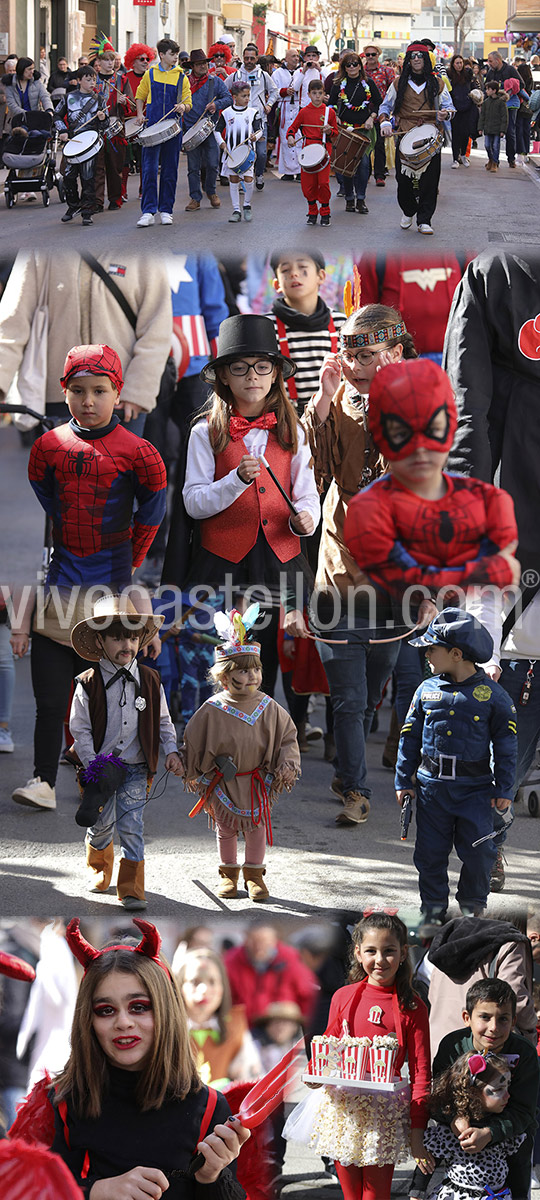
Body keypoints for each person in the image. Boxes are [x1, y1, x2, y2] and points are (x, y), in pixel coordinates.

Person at [10, 345, 167, 813]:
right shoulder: (48, 447)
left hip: (111, 594)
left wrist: (132, 583)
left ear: (118, 394)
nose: (88, 400)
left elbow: (153, 513)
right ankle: (42, 780)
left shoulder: (141, 454)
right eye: (78, 391)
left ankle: (98, 784)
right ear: (65, 392)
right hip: (59, 589)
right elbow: (47, 498)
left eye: (100, 391)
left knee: (109, 707)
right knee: (50, 700)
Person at [300, 304, 419, 827]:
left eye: (367, 355)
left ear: (394, 353)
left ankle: (346, 766)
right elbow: (310, 465)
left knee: (375, 684)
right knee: (348, 695)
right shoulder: (336, 399)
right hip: (339, 557)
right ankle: (355, 788)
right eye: (348, 353)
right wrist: (324, 400)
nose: (354, 364)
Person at [171, 314, 320, 695]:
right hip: (222, 561)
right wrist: (234, 481)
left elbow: (306, 494)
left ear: (275, 374)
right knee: (223, 655)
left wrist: (308, 519)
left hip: (281, 560)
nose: (251, 376)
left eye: (261, 367)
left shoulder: (295, 429)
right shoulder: (205, 431)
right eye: (239, 368)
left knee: (283, 651)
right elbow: (193, 503)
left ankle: (283, 732)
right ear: (223, 376)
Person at [48, 918, 251, 1197]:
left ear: (166, 1010)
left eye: (139, 1007)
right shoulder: (61, 1101)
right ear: (88, 1020)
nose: (123, 1022)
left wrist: (209, 1176)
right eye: (105, 1010)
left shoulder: (210, 1107)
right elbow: (34, 1188)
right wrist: (95, 1190)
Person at [394, 608, 518, 930]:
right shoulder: (426, 690)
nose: (427, 654)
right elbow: (408, 737)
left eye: (431, 648)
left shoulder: (493, 696)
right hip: (432, 788)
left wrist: (505, 788)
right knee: (430, 855)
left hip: (475, 790)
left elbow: (506, 745)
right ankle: (433, 914)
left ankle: (471, 912)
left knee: (479, 854)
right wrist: (402, 779)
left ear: (456, 653)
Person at [306, 912, 432, 1200]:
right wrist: (315, 1070)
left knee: (375, 1196)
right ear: (358, 953)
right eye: (371, 951)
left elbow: (421, 1071)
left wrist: (417, 1130)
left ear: (403, 954)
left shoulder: (412, 1006)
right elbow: (329, 1045)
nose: (380, 960)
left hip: (383, 1117)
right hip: (343, 1112)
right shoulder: (343, 997)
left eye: (389, 951)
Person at [69, 596, 182, 910]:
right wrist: (94, 766)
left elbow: (163, 720)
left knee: (132, 825)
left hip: (135, 766)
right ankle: (98, 867)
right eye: (117, 637)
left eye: (132, 637)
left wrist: (171, 750)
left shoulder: (150, 680)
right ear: (100, 640)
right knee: (101, 825)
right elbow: (80, 729)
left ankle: (132, 888)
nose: (127, 644)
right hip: (99, 769)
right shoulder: (87, 683)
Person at [179, 610, 301, 901]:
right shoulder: (212, 709)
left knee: (257, 829)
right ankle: (229, 875)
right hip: (223, 783)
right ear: (225, 675)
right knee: (226, 829)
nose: (252, 676)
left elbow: (287, 737)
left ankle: (255, 876)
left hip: (256, 782)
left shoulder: (269, 707)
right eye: (244, 670)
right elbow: (193, 741)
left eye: (256, 670)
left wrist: (287, 762)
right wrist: (183, 762)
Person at [0, 251, 173, 431]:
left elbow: (157, 330)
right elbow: (11, 324)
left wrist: (138, 392)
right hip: (60, 399)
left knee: (118, 460)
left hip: (121, 402)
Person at [433, 978, 540, 1200]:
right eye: (484, 1017)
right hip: (462, 1142)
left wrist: (490, 1133)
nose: (494, 1027)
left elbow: (525, 1111)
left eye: (503, 1019)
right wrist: (455, 1118)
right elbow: (438, 1098)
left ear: (513, 1021)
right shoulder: (451, 1047)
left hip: (513, 1141)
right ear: (467, 1018)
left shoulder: (526, 1054)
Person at [410, 1050, 525, 1199]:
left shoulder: (504, 1129)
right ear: (473, 1092)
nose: (508, 1095)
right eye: (498, 1089)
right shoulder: (451, 1132)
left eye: (507, 1087)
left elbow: (516, 1169)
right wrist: (416, 1195)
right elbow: (426, 1168)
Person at [379, 42, 454, 235]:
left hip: (431, 135)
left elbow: (449, 107)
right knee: (403, 180)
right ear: (408, 61)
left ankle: (424, 220)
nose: (417, 59)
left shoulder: (437, 83)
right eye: (413, 56)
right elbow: (385, 107)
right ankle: (408, 210)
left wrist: (445, 114)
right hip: (405, 134)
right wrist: (385, 122)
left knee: (430, 182)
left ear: (426, 59)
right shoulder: (398, 83)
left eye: (421, 56)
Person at [266, 249, 346, 415]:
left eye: (302, 267)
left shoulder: (342, 324)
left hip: (335, 418)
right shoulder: (266, 326)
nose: (294, 274)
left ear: (321, 276)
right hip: (286, 419)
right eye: (285, 270)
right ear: (277, 284)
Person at [175, 947, 263, 1085]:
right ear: (179, 986)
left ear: (223, 987)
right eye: (194, 982)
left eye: (212, 982)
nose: (203, 990)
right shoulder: (164, 1028)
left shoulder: (236, 1025)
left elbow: (251, 1080)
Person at [135, 37, 192, 226]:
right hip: (151, 126)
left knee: (170, 170)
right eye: (172, 54)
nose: (176, 58)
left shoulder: (181, 76)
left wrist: (183, 107)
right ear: (162, 55)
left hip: (173, 128)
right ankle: (148, 211)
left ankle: (166, 210)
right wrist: (139, 114)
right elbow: (140, 96)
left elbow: (188, 102)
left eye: (176, 54)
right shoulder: (150, 74)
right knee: (149, 169)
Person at [224, 924, 318, 1027]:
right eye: (254, 941)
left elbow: (308, 997)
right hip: (243, 1028)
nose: (258, 947)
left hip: (282, 1028)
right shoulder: (231, 961)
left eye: (264, 941)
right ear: (245, 940)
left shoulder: (292, 959)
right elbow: (224, 999)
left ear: (274, 941)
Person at [54, 64, 109, 226]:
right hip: (72, 141)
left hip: (90, 143)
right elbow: (56, 115)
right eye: (88, 80)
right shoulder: (67, 97)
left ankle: (87, 211)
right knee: (69, 176)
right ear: (78, 81)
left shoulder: (99, 100)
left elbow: (105, 125)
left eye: (94, 80)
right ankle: (73, 206)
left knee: (88, 178)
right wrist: (62, 130)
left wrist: (102, 119)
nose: (92, 83)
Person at [328, 52, 381, 216]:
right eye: (348, 64)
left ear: (360, 65)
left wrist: (372, 117)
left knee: (364, 164)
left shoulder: (368, 83)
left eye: (355, 64)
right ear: (344, 67)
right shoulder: (338, 83)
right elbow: (330, 105)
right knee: (347, 165)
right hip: (345, 130)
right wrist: (335, 115)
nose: (352, 67)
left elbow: (379, 103)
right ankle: (349, 198)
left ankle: (361, 199)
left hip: (363, 130)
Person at [182, 49, 231, 213]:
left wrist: (216, 105)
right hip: (190, 129)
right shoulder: (185, 82)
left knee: (212, 164)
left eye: (204, 63)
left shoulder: (215, 82)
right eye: (199, 64)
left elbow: (228, 98)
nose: (203, 66)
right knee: (193, 167)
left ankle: (211, 192)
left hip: (210, 129)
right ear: (193, 66)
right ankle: (195, 198)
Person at [286, 78, 338, 226]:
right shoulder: (304, 112)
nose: (317, 96)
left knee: (323, 182)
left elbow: (335, 132)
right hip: (308, 149)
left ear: (324, 94)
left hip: (323, 149)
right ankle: (312, 210)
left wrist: (330, 130)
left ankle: (325, 211)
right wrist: (290, 137)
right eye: (314, 93)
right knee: (308, 184)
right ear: (308, 94)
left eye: (320, 93)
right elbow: (293, 128)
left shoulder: (330, 112)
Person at [226, 45, 278, 190]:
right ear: (243, 58)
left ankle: (259, 174)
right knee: (242, 152)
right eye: (246, 58)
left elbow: (275, 91)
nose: (249, 61)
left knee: (261, 153)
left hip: (259, 120)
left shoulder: (263, 75)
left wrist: (268, 105)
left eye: (252, 58)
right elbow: (224, 90)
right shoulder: (236, 75)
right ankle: (242, 181)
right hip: (240, 121)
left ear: (256, 58)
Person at [89, 38, 133, 213]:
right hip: (96, 127)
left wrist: (124, 101)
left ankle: (115, 198)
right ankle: (98, 201)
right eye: (106, 60)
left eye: (112, 59)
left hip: (116, 127)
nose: (110, 63)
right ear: (99, 62)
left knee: (115, 166)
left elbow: (130, 103)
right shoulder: (92, 80)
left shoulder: (122, 80)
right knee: (97, 167)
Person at [213, 80, 261, 222]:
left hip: (247, 154)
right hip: (232, 154)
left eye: (248, 96)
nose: (247, 99)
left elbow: (259, 130)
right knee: (233, 180)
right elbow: (217, 130)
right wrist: (221, 143)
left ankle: (246, 205)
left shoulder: (253, 112)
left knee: (248, 179)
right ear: (234, 96)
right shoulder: (227, 113)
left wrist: (255, 137)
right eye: (244, 96)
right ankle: (236, 210)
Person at [362, 45, 395, 185]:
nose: (370, 57)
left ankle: (380, 175)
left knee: (379, 145)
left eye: (373, 54)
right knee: (364, 145)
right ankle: (365, 173)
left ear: (378, 55)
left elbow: (393, 90)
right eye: (367, 55)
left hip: (381, 112)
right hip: (362, 112)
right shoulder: (360, 71)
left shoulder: (387, 71)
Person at [485, 51, 521, 165]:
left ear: (498, 60)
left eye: (491, 61)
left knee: (510, 131)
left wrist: (508, 88)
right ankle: (493, 159)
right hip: (494, 107)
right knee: (492, 131)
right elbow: (486, 87)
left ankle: (511, 158)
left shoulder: (510, 70)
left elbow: (522, 84)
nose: (489, 63)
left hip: (509, 106)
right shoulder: (491, 72)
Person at [272, 48, 300, 179]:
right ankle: (288, 171)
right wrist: (284, 91)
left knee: (300, 139)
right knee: (285, 139)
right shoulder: (278, 73)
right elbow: (272, 91)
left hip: (298, 107)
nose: (296, 58)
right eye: (293, 56)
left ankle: (300, 169)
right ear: (286, 58)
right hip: (285, 106)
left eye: (297, 56)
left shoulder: (302, 72)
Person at [446, 54, 474, 168]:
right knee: (456, 134)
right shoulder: (449, 75)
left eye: (461, 63)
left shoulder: (467, 75)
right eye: (457, 63)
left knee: (465, 134)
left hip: (467, 107)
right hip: (455, 108)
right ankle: (455, 158)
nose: (459, 65)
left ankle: (463, 155)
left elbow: (472, 84)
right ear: (453, 64)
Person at [3, 56, 53, 120]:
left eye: (33, 69)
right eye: (29, 69)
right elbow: (11, 104)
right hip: (17, 119)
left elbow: (45, 96)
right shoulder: (10, 84)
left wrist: (49, 110)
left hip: (35, 119)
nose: (32, 71)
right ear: (21, 70)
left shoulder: (36, 81)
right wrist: (27, 115)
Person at [478, 79, 508, 170]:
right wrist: (480, 127)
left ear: (494, 90)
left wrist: (503, 130)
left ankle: (495, 162)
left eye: (488, 89)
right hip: (488, 128)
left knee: (495, 146)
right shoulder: (486, 102)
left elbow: (504, 117)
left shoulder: (501, 103)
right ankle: (491, 159)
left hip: (497, 129)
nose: (486, 91)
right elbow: (482, 116)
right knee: (487, 145)